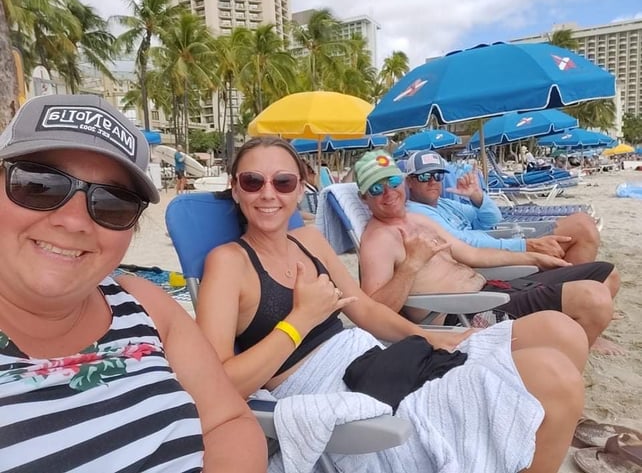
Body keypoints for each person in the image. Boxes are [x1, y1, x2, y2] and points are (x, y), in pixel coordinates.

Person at [196, 136, 588, 473]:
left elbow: (363, 310)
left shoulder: (310, 242)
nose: (268, 193)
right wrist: (299, 321)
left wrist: (432, 338)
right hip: (341, 391)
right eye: (253, 181)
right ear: (235, 188)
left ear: (300, 189)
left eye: (283, 182)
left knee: (561, 331)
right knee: (554, 378)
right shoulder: (229, 263)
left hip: (383, 360)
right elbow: (218, 385)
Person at [0, 94, 266, 472]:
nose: (74, 221)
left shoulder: (142, 303)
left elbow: (229, 421)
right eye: (38, 184)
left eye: (113, 202)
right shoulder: (228, 261)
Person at [355, 150, 622, 354]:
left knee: (606, 274)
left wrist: (531, 257)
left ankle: (561, 351)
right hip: (469, 313)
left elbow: (472, 254)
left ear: (401, 182)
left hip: (493, 287)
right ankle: (557, 369)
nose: (388, 192)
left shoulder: (417, 219)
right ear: (363, 197)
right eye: (376, 188)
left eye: (391, 181)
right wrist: (411, 265)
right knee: (593, 300)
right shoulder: (378, 240)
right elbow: (373, 311)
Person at [404, 150, 601, 264]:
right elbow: (464, 243)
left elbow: (493, 220)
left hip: (498, 243)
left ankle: (572, 295)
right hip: (488, 259)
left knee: (584, 225)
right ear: (410, 182)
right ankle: (571, 298)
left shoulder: (444, 204)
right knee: (581, 227)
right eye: (424, 176)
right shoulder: (416, 212)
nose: (432, 181)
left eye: (437, 175)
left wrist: (477, 196)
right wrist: (525, 246)